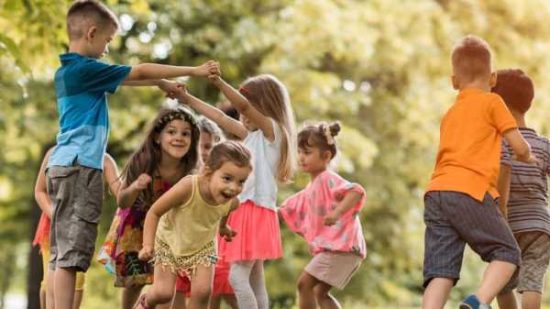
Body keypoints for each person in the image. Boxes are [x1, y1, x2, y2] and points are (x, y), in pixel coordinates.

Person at [47, 1, 218, 308]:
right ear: (92, 33)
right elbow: (138, 71)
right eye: (107, 42)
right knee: (72, 256)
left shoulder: (69, 71)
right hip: (80, 168)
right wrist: (193, 70)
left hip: (63, 167)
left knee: (63, 253)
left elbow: (131, 79)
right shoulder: (84, 69)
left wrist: (161, 83)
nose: (107, 49)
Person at [422, 35, 538, 309]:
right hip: (470, 191)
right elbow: (517, 144)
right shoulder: (492, 102)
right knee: (508, 253)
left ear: (454, 82)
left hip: (436, 192)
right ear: (493, 78)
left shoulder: (450, 113)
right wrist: (527, 155)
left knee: (440, 270)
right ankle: (478, 301)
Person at [176, 71, 297, 308]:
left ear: (265, 106)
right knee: (255, 280)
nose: (242, 115)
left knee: (236, 277)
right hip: (249, 211)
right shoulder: (252, 136)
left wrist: (218, 82)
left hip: (255, 211)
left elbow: (241, 104)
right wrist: (188, 99)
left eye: (247, 109)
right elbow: (221, 117)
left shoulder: (273, 132)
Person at [98, 106, 200, 309]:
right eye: (171, 132)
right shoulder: (144, 161)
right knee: (135, 281)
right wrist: (136, 186)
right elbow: (122, 201)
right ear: (157, 137)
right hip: (135, 226)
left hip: (168, 230)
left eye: (185, 133)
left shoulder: (190, 170)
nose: (179, 137)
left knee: (165, 285)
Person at [135, 141, 253, 309]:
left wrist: (222, 227)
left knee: (203, 291)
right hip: (170, 242)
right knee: (164, 293)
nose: (234, 187)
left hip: (202, 248)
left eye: (241, 181)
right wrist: (147, 245)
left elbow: (224, 211)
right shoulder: (188, 187)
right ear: (208, 173)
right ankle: (145, 303)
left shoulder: (232, 202)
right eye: (227, 178)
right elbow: (154, 212)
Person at [279, 122, 366, 309]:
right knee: (319, 292)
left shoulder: (328, 179)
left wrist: (337, 212)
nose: (301, 158)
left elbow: (356, 192)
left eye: (307, 153)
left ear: (326, 156)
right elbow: (286, 209)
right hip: (342, 250)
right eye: (299, 152)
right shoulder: (311, 188)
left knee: (304, 285)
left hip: (341, 248)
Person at [34, 149, 120, 309]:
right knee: (49, 278)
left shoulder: (103, 158)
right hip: (53, 228)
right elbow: (40, 191)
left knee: (77, 279)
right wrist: (57, 215)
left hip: (82, 230)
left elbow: (121, 191)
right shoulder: (54, 153)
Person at [492, 69, 550, 309]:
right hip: (539, 224)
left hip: (506, 224)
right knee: (532, 282)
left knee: (501, 283)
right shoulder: (544, 145)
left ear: (499, 105)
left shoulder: (496, 143)